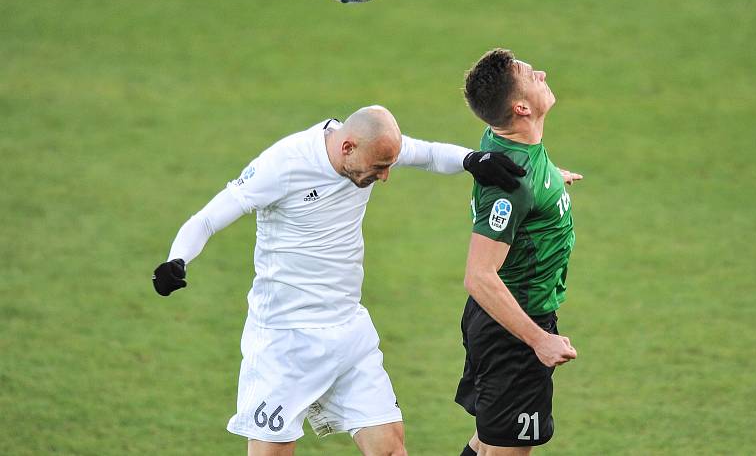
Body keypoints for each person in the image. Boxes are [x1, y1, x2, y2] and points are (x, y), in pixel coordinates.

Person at [151, 105, 527, 456]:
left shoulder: (370, 147)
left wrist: (472, 160)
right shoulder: (284, 164)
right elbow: (208, 217)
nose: (385, 176)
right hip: (284, 341)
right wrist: (177, 259)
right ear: (347, 147)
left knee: (391, 449)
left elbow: (427, 154)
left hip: (349, 333)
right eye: (379, 166)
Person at [454, 49, 583, 456]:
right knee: (507, 448)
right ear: (521, 107)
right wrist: (538, 341)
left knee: (490, 443)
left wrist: (550, 178)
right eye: (532, 75)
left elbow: (522, 172)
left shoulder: (507, 146)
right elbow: (478, 276)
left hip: (508, 320)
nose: (543, 72)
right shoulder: (511, 186)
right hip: (514, 326)